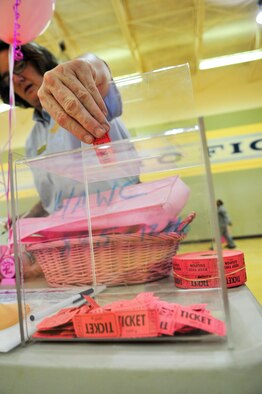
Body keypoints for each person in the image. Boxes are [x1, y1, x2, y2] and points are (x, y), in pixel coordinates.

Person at [0, 40, 139, 217]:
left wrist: (85, 65)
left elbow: (93, 68)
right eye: (6, 78)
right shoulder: (32, 141)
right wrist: (28, 217)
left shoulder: (82, 96)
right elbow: (54, 201)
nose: (15, 79)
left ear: (39, 60)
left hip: (126, 225)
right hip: (77, 238)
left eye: (19, 65)